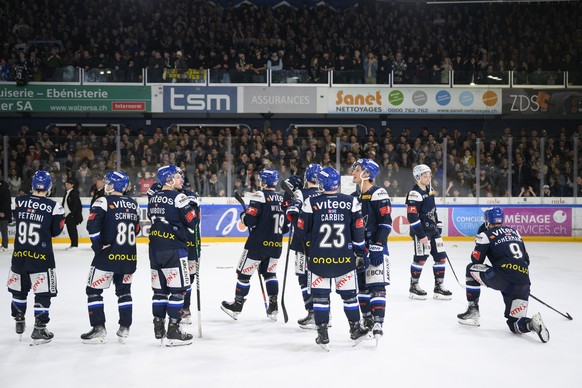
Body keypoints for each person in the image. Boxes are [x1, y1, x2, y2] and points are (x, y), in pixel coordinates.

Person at [291, 166, 369, 350]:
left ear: (320, 183)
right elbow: (358, 232)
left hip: (318, 260)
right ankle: (355, 328)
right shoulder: (351, 201)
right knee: (350, 297)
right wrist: (360, 253)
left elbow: (302, 231)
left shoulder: (311, 202)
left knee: (320, 298)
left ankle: (323, 333)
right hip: (345, 259)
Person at [457, 207, 550, 343]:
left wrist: (480, 239)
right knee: (514, 324)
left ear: (487, 221)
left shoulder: (485, 235)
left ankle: (473, 310)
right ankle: (531, 323)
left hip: (503, 279)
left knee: (471, 269)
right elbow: (527, 260)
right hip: (523, 282)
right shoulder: (515, 233)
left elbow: (476, 261)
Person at [80, 171, 140, 344]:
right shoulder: (133, 203)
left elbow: (92, 227)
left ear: (115, 185)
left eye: (109, 183)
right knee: (124, 292)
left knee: (93, 290)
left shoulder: (102, 201)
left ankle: (98, 328)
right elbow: (136, 230)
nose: (107, 185)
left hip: (107, 256)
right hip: (128, 256)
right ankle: (124, 328)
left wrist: (98, 247)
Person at [221, 168, 287, 321]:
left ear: (263, 181)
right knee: (270, 274)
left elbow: (249, 221)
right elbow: (285, 227)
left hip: (257, 246)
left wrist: (243, 216)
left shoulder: (259, 196)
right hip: (276, 245)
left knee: (243, 275)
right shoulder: (282, 198)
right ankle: (273, 307)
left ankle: (237, 305)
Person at [7, 170, 65, 344]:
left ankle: (19, 319)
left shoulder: (19, 201)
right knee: (43, 293)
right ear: (49, 187)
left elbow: (14, 218)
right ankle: (39, 328)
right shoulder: (55, 207)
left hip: (19, 256)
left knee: (19, 290)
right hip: (41, 258)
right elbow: (55, 232)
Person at [148, 165, 200, 346]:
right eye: (177, 177)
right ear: (168, 179)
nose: (181, 180)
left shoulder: (153, 197)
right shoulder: (180, 197)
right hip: (174, 250)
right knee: (179, 290)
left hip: (154, 250)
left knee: (159, 291)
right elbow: (193, 222)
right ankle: (174, 330)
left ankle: (158, 326)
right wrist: (194, 205)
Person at [350, 158, 392, 341]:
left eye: (356, 169)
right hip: (359, 249)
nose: (353, 172)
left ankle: (377, 322)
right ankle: (366, 320)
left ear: (366, 174)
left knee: (377, 285)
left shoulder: (379, 193)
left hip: (376, 247)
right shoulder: (353, 197)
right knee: (362, 287)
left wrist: (377, 246)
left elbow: (386, 223)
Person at [405, 164, 452, 300]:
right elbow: (412, 217)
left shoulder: (429, 189)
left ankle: (439, 286)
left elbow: (432, 210)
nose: (428, 178)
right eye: (425, 176)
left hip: (433, 231)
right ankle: (414, 286)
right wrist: (421, 235)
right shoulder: (414, 194)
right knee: (420, 259)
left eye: (429, 175)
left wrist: (437, 224)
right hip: (422, 232)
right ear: (417, 177)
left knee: (441, 257)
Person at [283, 164, 321, 329]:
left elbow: (289, 213)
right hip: (321, 243)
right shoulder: (326, 194)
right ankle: (324, 312)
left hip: (301, 242)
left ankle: (312, 313)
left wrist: (289, 193)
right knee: (320, 278)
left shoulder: (301, 193)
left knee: (303, 277)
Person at [62, 178, 82, 249]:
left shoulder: (74, 193)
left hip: (71, 215)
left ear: (72, 185)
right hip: (68, 215)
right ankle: (73, 243)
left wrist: (72, 214)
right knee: (70, 229)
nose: (66, 186)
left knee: (72, 230)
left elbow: (76, 205)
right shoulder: (67, 192)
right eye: (66, 184)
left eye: (68, 184)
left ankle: (74, 244)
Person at [0, 176, 12, 252]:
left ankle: (5, 245)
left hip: (4, 213)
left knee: (4, 229)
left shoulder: (4, 189)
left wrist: (2, 211)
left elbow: (7, 202)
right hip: (2, 212)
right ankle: (4, 244)